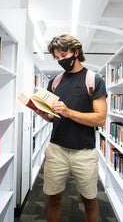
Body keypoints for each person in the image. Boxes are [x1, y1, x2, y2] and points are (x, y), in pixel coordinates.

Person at [35, 34, 107, 222]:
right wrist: (44, 114)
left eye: (64, 55)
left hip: (84, 152)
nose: (61, 60)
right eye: (57, 57)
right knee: (53, 199)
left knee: (90, 200)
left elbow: (100, 119)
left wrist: (69, 112)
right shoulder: (56, 82)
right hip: (57, 149)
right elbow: (53, 117)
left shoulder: (94, 80)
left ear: (76, 52)